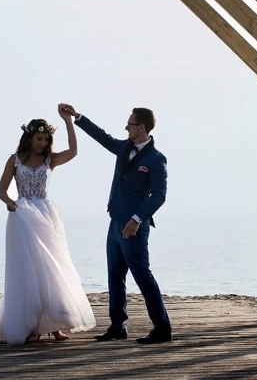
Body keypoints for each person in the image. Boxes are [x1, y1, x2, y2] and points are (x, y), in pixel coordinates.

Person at [61, 104, 173, 344]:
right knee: (114, 275)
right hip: (115, 222)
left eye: (130, 124)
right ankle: (118, 326)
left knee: (142, 275)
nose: (126, 127)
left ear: (142, 127)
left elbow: (159, 195)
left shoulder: (156, 159)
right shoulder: (123, 147)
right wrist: (78, 117)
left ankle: (162, 328)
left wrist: (136, 219)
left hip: (134, 226)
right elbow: (102, 137)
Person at [0, 106, 96, 344]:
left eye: (46, 139)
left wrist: (67, 121)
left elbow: (74, 151)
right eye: (38, 138)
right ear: (29, 137)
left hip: (46, 215)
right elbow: (1, 189)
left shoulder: (50, 160)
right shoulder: (15, 160)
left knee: (52, 268)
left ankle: (54, 325)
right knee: (29, 271)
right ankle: (32, 325)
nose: (42, 142)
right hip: (22, 216)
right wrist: (9, 202)